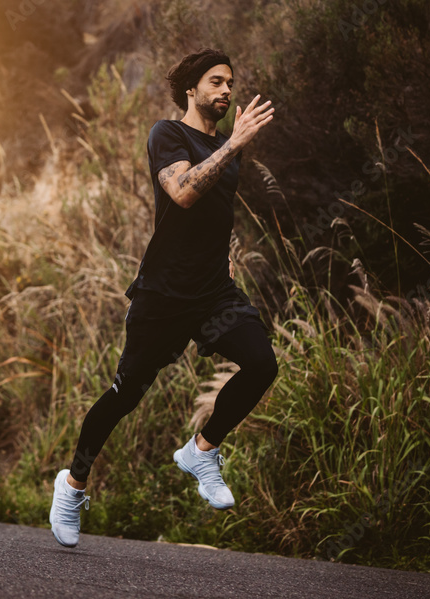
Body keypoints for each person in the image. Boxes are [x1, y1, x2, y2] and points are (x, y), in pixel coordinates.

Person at [49, 48, 279, 548]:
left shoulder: (226, 147)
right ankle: (72, 484)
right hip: (164, 294)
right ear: (191, 89)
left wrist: (227, 258)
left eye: (230, 83)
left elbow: (215, 213)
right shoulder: (167, 134)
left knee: (262, 363)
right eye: (215, 81)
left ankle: (202, 451)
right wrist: (234, 143)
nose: (225, 91)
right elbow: (183, 194)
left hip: (214, 291)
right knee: (124, 395)